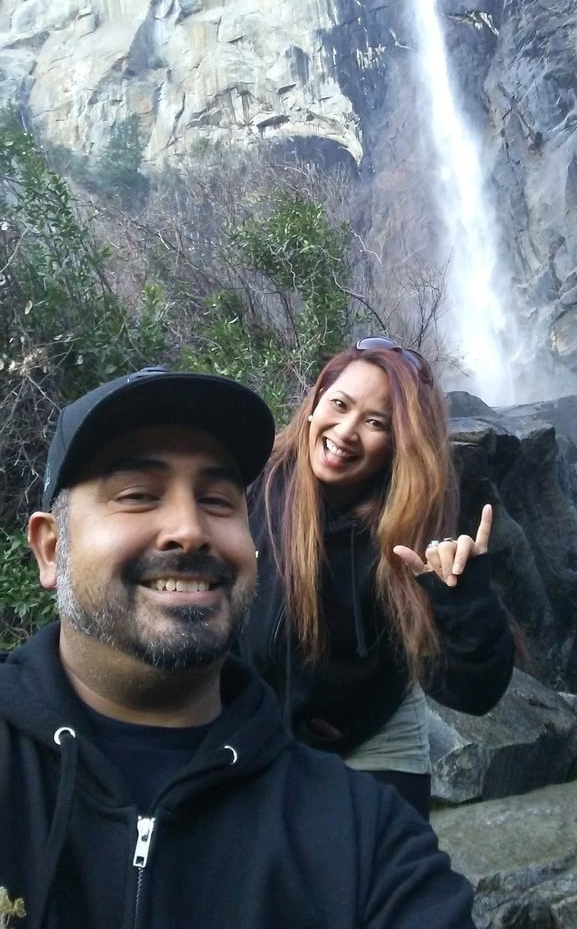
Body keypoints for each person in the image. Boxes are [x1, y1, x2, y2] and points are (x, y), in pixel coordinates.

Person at [0, 365, 476, 929]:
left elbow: (467, 685)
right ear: (51, 550)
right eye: (136, 495)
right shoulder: (282, 495)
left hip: (359, 728)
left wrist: (462, 600)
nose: (190, 528)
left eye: (219, 500)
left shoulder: (365, 837)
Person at [238, 338, 515, 819]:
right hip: (251, 723)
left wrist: (462, 599)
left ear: (398, 444)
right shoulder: (251, 486)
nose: (345, 432)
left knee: (384, 883)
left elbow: (473, 694)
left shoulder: (410, 527)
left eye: (375, 423)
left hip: (372, 730)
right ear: (315, 402)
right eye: (340, 405)